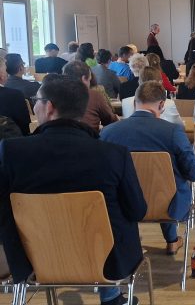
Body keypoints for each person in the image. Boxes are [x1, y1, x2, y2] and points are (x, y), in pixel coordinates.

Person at [0, 75, 146, 305]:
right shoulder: (113, 154)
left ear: (49, 107)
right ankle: (111, 298)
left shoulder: (11, 152)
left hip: (34, 259)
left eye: (36, 100)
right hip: (107, 261)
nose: (34, 105)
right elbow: (137, 210)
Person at [101, 80, 195, 255]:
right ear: (162, 104)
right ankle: (171, 241)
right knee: (166, 182)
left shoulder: (108, 133)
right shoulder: (172, 132)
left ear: (134, 102)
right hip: (169, 205)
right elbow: (193, 173)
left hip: (122, 204)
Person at [63, 60, 119, 132]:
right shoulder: (95, 95)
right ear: (83, 79)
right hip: (87, 138)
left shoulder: (54, 94)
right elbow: (110, 121)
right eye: (89, 79)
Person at [0, 57, 31, 135]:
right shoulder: (14, 95)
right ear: (1, 74)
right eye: (5, 70)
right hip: (9, 143)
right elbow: (24, 127)